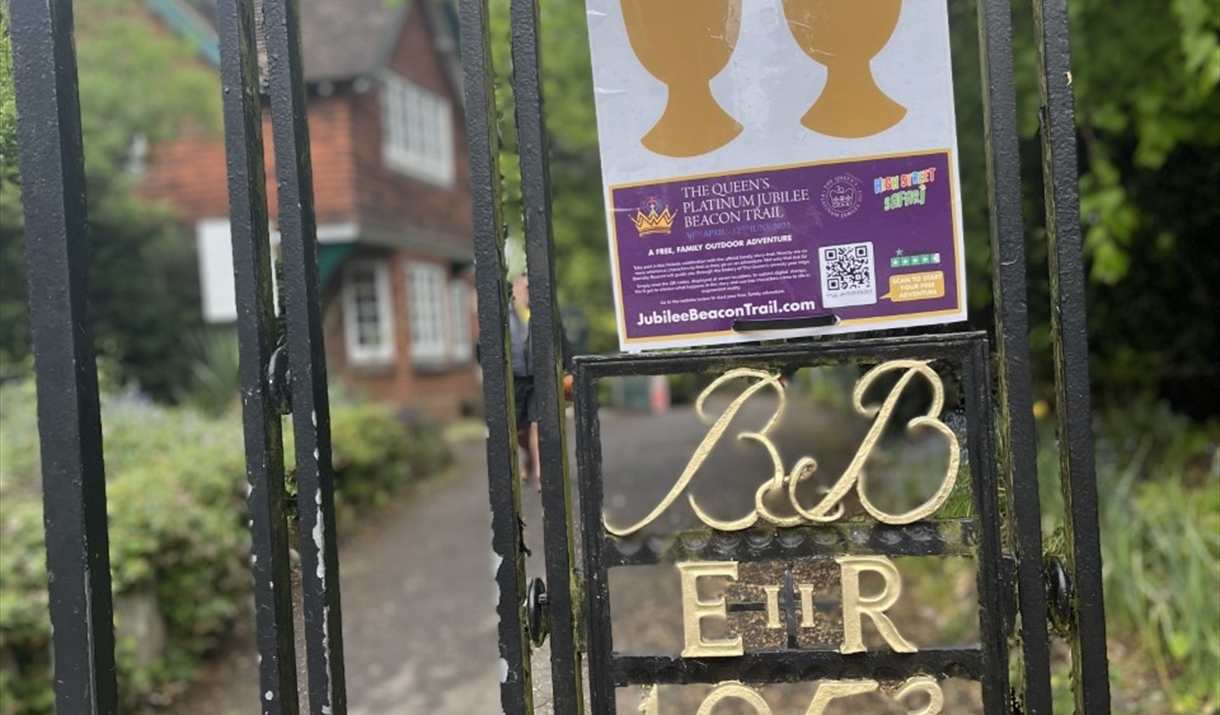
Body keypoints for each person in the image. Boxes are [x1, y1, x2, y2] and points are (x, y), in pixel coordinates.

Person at [508, 273, 573, 489]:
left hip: (540, 376)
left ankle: (540, 474)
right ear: (516, 287)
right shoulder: (505, 312)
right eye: (525, 285)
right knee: (519, 428)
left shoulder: (545, 311)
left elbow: (561, 338)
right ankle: (527, 458)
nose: (529, 290)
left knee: (538, 423)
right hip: (515, 377)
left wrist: (569, 369)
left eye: (532, 286)